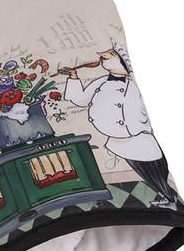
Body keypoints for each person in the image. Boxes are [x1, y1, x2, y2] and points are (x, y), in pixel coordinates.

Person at [64, 40, 176, 208]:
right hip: (118, 138)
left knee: (154, 169)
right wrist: (74, 78)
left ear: (122, 61)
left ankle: (169, 198)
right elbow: (81, 99)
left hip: (137, 136)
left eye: (110, 55)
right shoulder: (101, 81)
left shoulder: (131, 84)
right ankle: (166, 197)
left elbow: (138, 110)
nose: (103, 58)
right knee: (141, 169)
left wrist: (137, 128)